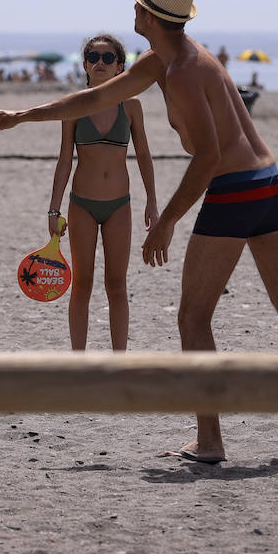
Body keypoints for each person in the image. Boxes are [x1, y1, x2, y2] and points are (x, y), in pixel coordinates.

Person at [0, 0, 278, 463]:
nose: (131, 9)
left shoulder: (185, 71)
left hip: (236, 191)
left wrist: (167, 219)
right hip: (270, 184)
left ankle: (211, 441)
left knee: (193, 319)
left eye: (136, 5)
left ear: (148, 15)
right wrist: (22, 116)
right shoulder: (161, 61)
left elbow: (209, 157)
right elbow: (95, 96)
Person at [47, 33, 159, 351]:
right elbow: (65, 160)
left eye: (108, 58)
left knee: (117, 285)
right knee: (82, 284)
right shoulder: (74, 106)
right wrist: (53, 211)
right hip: (81, 205)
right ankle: (79, 362)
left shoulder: (132, 106)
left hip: (119, 207)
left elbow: (145, 156)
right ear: (84, 65)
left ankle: (118, 362)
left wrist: (152, 201)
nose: (100, 63)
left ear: (120, 67)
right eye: (94, 58)